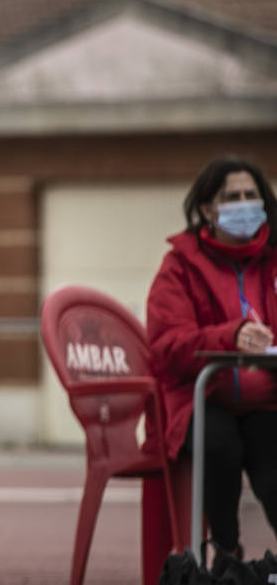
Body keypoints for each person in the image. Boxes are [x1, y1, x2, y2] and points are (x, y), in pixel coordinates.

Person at [146, 155, 277, 565]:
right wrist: (231, 336)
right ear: (206, 209)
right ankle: (225, 550)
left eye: (251, 195)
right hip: (201, 401)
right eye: (231, 197)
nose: (244, 204)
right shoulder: (179, 267)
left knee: (272, 460)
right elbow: (167, 345)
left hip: (268, 402)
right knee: (219, 444)